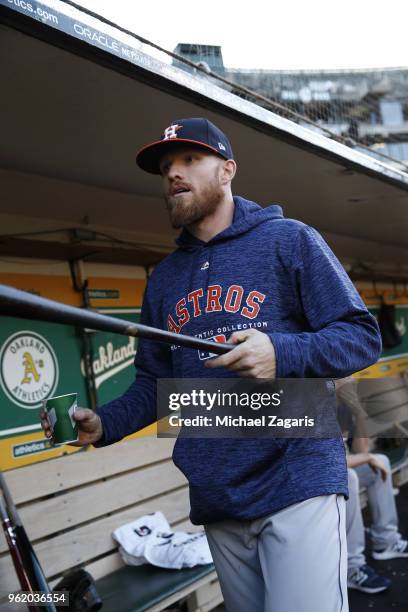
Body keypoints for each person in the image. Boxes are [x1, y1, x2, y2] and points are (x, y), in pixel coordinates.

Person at [41, 118, 382, 611]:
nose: (173, 174)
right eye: (165, 168)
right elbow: (156, 383)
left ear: (227, 170)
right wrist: (104, 423)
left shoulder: (289, 240)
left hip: (296, 478)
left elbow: (361, 337)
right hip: (217, 494)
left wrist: (279, 352)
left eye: (189, 160)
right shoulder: (164, 279)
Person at [336, 377, 408, 594]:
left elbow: (362, 448)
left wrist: (357, 412)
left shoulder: (343, 407)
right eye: (346, 375)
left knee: (381, 463)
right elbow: (326, 463)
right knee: (349, 477)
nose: (352, 379)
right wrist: (366, 459)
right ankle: (352, 566)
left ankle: (385, 541)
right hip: (310, 480)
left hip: (338, 471)